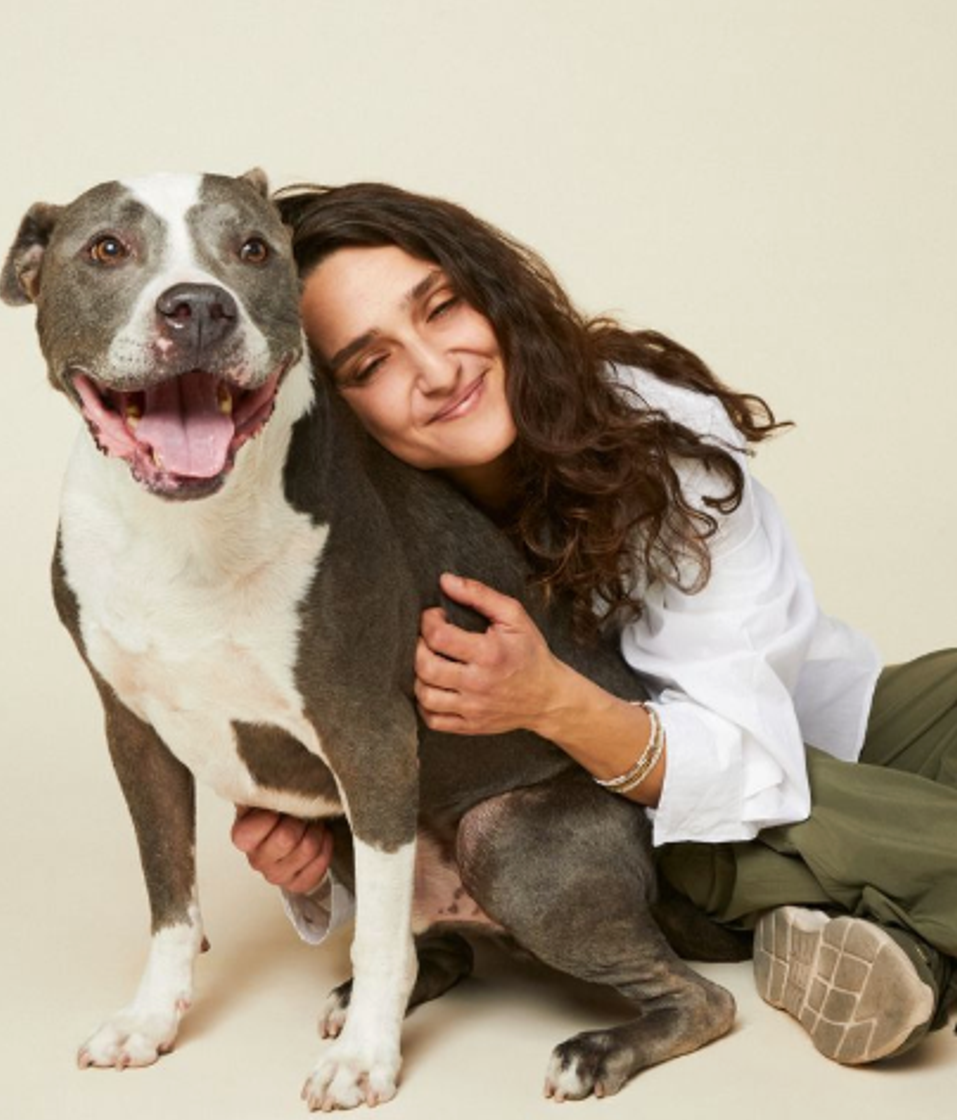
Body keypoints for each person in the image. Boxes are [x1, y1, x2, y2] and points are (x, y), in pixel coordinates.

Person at [231, 181, 957, 1067]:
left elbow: (750, 739)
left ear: (490, 289)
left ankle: (885, 940)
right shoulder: (346, 542)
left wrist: (544, 694)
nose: (437, 369)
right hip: (644, 827)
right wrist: (308, 828)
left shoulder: (652, 433)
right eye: (370, 365)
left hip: (794, 719)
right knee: (775, 820)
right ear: (326, 408)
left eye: (443, 307)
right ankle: (884, 939)